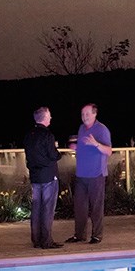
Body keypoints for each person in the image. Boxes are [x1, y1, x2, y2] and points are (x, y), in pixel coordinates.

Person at [66, 103, 112, 244]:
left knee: (96, 207)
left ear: (94, 114)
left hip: (96, 174)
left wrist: (96, 144)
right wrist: (76, 147)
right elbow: (83, 147)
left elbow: (109, 151)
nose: (84, 117)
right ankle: (79, 235)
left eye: (87, 114)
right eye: (82, 114)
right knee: (80, 206)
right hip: (81, 175)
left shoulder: (101, 129)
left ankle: (97, 235)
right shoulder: (81, 129)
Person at [24, 107, 63, 249]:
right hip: (48, 176)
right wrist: (59, 153)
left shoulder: (29, 135)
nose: (51, 118)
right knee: (47, 208)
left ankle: (36, 239)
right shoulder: (48, 135)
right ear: (45, 118)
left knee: (36, 208)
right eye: (50, 116)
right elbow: (53, 155)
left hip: (35, 176)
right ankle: (46, 241)